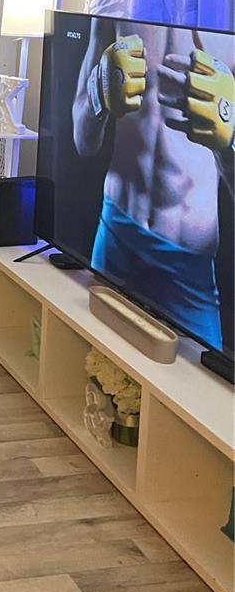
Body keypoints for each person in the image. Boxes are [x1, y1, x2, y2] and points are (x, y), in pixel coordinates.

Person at [72, 18, 234, 350]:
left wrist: (229, 142)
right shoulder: (118, 3)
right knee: (87, 362)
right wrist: (98, 95)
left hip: (187, 262)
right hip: (117, 230)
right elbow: (82, 141)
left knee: (196, 394)